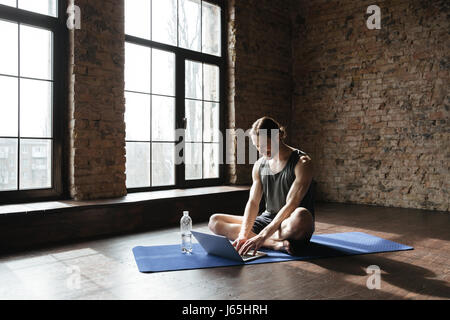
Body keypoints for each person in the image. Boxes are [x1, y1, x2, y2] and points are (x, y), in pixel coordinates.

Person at [208, 116, 316, 256]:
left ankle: (261, 238)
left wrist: (263, 234)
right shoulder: (260, 165)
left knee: (302, 216)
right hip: (267, 219)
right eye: (257, 146)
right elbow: (253, 202)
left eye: (264, 145)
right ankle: (275, 244)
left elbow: (292, 204)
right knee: (215, 221)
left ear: (277, 137)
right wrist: (242, 234)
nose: (261, 151)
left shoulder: (302, 162)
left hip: (289, 222)